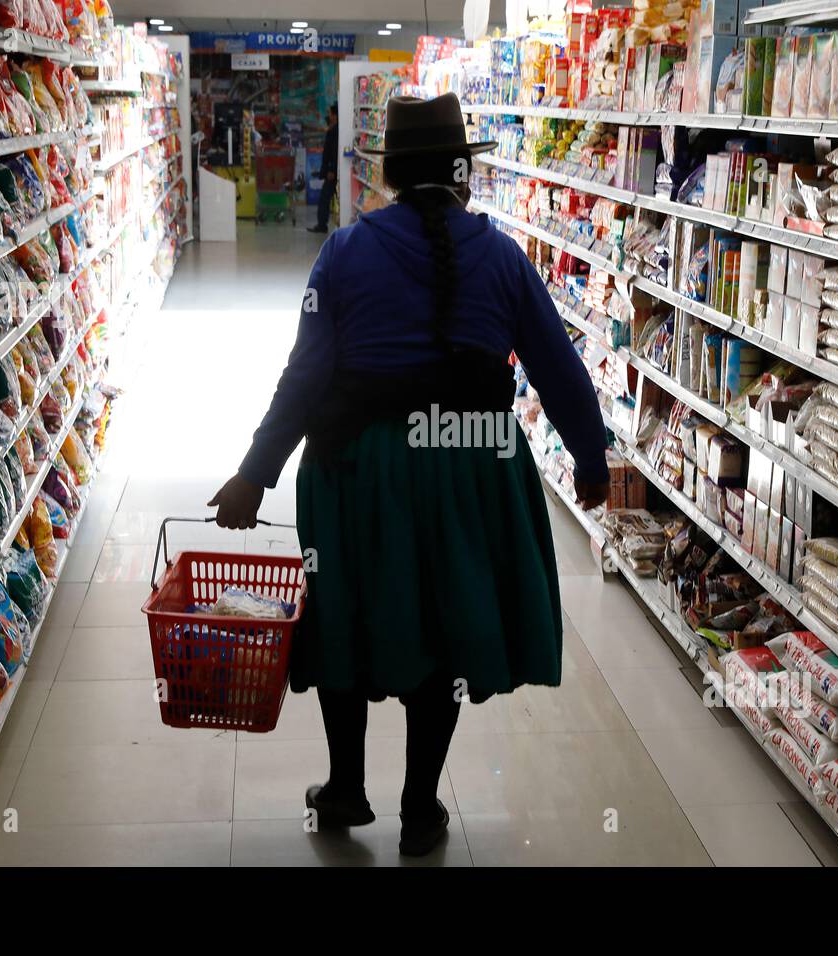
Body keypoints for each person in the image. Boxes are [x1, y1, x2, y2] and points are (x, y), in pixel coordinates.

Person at [210, 93, 610, 857]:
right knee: (443, 623)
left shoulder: (346, 252)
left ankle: (345, 787)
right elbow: (560, 367)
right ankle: (421, 807)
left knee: (347, 616)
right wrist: (592, 460)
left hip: (358, 469)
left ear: (387, 171)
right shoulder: (502, 256)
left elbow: (305, 375)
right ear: (462, 175)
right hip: (469, 467)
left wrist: (255, 473)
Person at [308, 103, 339, 234]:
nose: (329, 116)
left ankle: (322, 225)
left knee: (324, 198)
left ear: (335, 115)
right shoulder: (334, 129)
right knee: (327, 198)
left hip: (332, 171)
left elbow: (333, 151)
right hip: (333, 170)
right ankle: (322, 224)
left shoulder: (335, 131)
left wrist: (331, 169)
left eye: (330, 114)